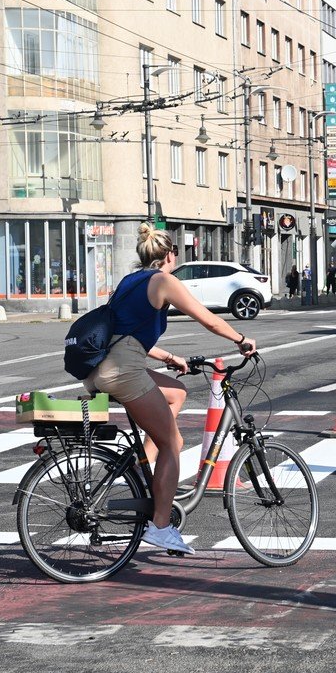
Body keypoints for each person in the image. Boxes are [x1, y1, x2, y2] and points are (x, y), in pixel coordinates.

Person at [82, 223, 256, 555]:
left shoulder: (129, 281)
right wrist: (241, 339)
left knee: (175, 393)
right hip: (123, 369)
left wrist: (169, 357)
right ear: (168, 255)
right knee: (172, 444)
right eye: (176, 253)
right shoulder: (164, 280)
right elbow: (207, 319)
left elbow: (124, 333)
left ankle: (142, 467)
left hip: (105, 365)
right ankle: (160, 527)